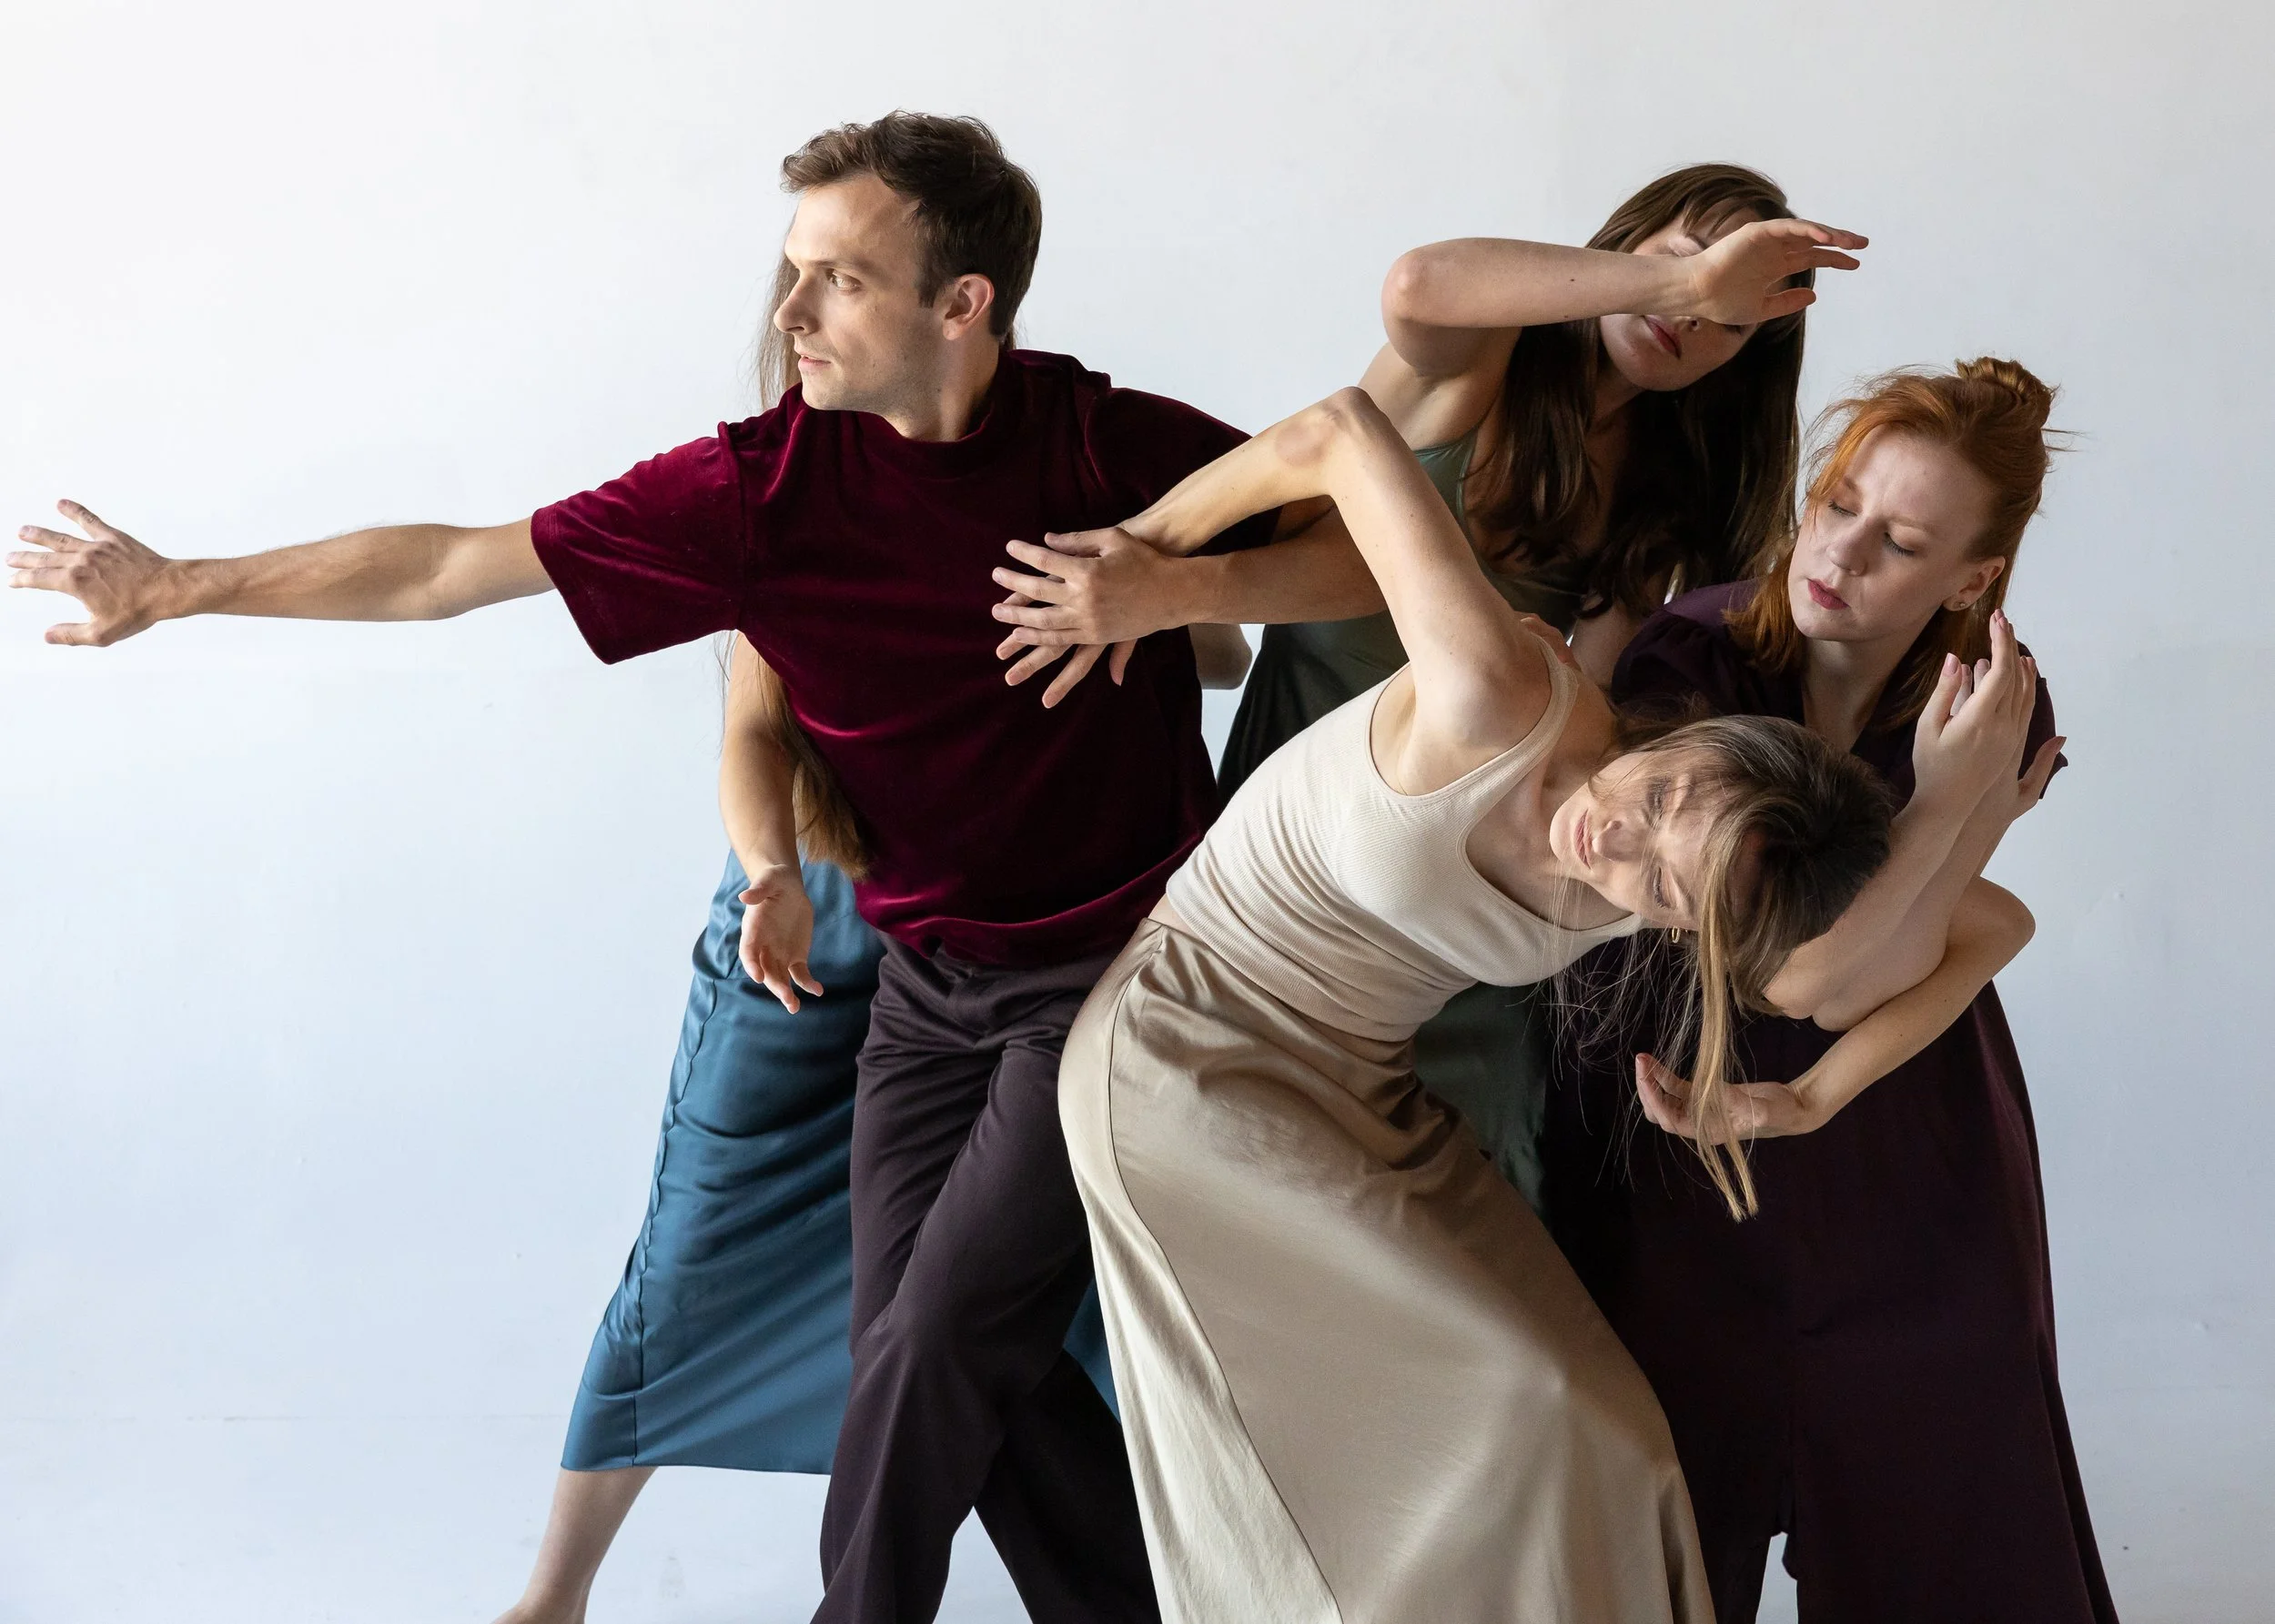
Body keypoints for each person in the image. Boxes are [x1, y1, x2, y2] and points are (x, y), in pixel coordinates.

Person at [9, 112, 1385, 1624]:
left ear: (962, 304)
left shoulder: (1100, 443)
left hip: (1121, 977)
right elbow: (451, 567)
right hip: (927, 996)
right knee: (915, 1350)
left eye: (839, 280)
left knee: (935, 1342)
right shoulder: (761, 498)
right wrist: (180, 588)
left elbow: (1377, 549)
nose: (789, 314)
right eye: (790, 274)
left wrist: (1179, 586)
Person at [1049, 383, 2041, 1622]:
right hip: (1186, 1063)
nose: (1622, 838)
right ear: (1692, 738)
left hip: (1365, 1091)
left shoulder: (1687, 880)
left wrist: (1940, 835)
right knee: (1519, 1411)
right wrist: (1146, 567)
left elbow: (1982, 927)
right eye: (1669, 794)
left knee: (1616, 1433)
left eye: (1664, 881)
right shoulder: (1495, 692)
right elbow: (1348, 432)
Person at [993, 162, 1866, 1206]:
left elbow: (1583, 718)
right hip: (1320, 759)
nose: (1694, 317)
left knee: (1459, 1138)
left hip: (1476, 829)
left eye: (1728, 324)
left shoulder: (1658, 493)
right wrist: (1167, 583)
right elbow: (1414, 290)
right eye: (1685, 265)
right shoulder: (1488, 352)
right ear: (1630, 242)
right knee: (1247, 1116)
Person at [1538, 358, 2120, 1623]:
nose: (1839, 554)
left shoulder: (1992, 706)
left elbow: (1883, 979)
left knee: (1945, 1513)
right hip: (1673, 1133)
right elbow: (1790, 966)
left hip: (1911, 1148)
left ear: (1974, 581)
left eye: (1901, 542)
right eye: (1838, 500)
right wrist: (1953, 802)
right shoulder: (1690, 651)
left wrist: (1815, 1094)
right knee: (1669, 1529)